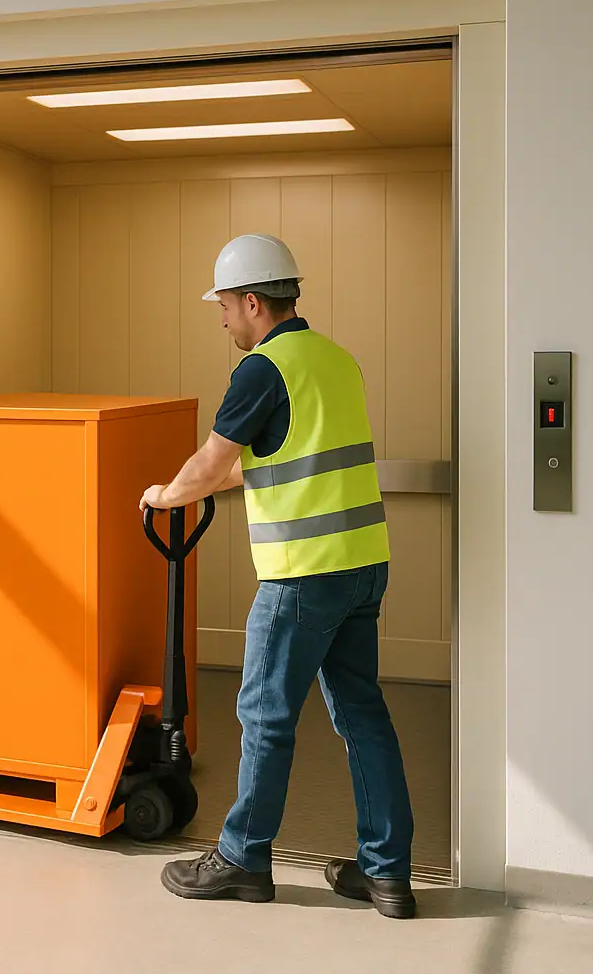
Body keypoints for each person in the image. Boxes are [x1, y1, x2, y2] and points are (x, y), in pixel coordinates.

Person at [138, 233, 418, 919]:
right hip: (362, 566)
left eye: (227, 306)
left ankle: (241, 859)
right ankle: (388, 875)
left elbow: (211, 461)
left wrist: (163, 495)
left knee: (265, 717)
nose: (224, 319)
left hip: (302, 575)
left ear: (255, 302)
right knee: (363, 715)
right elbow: (274, 460)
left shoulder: (263, 369)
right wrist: (206, 485)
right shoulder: (335, 361)